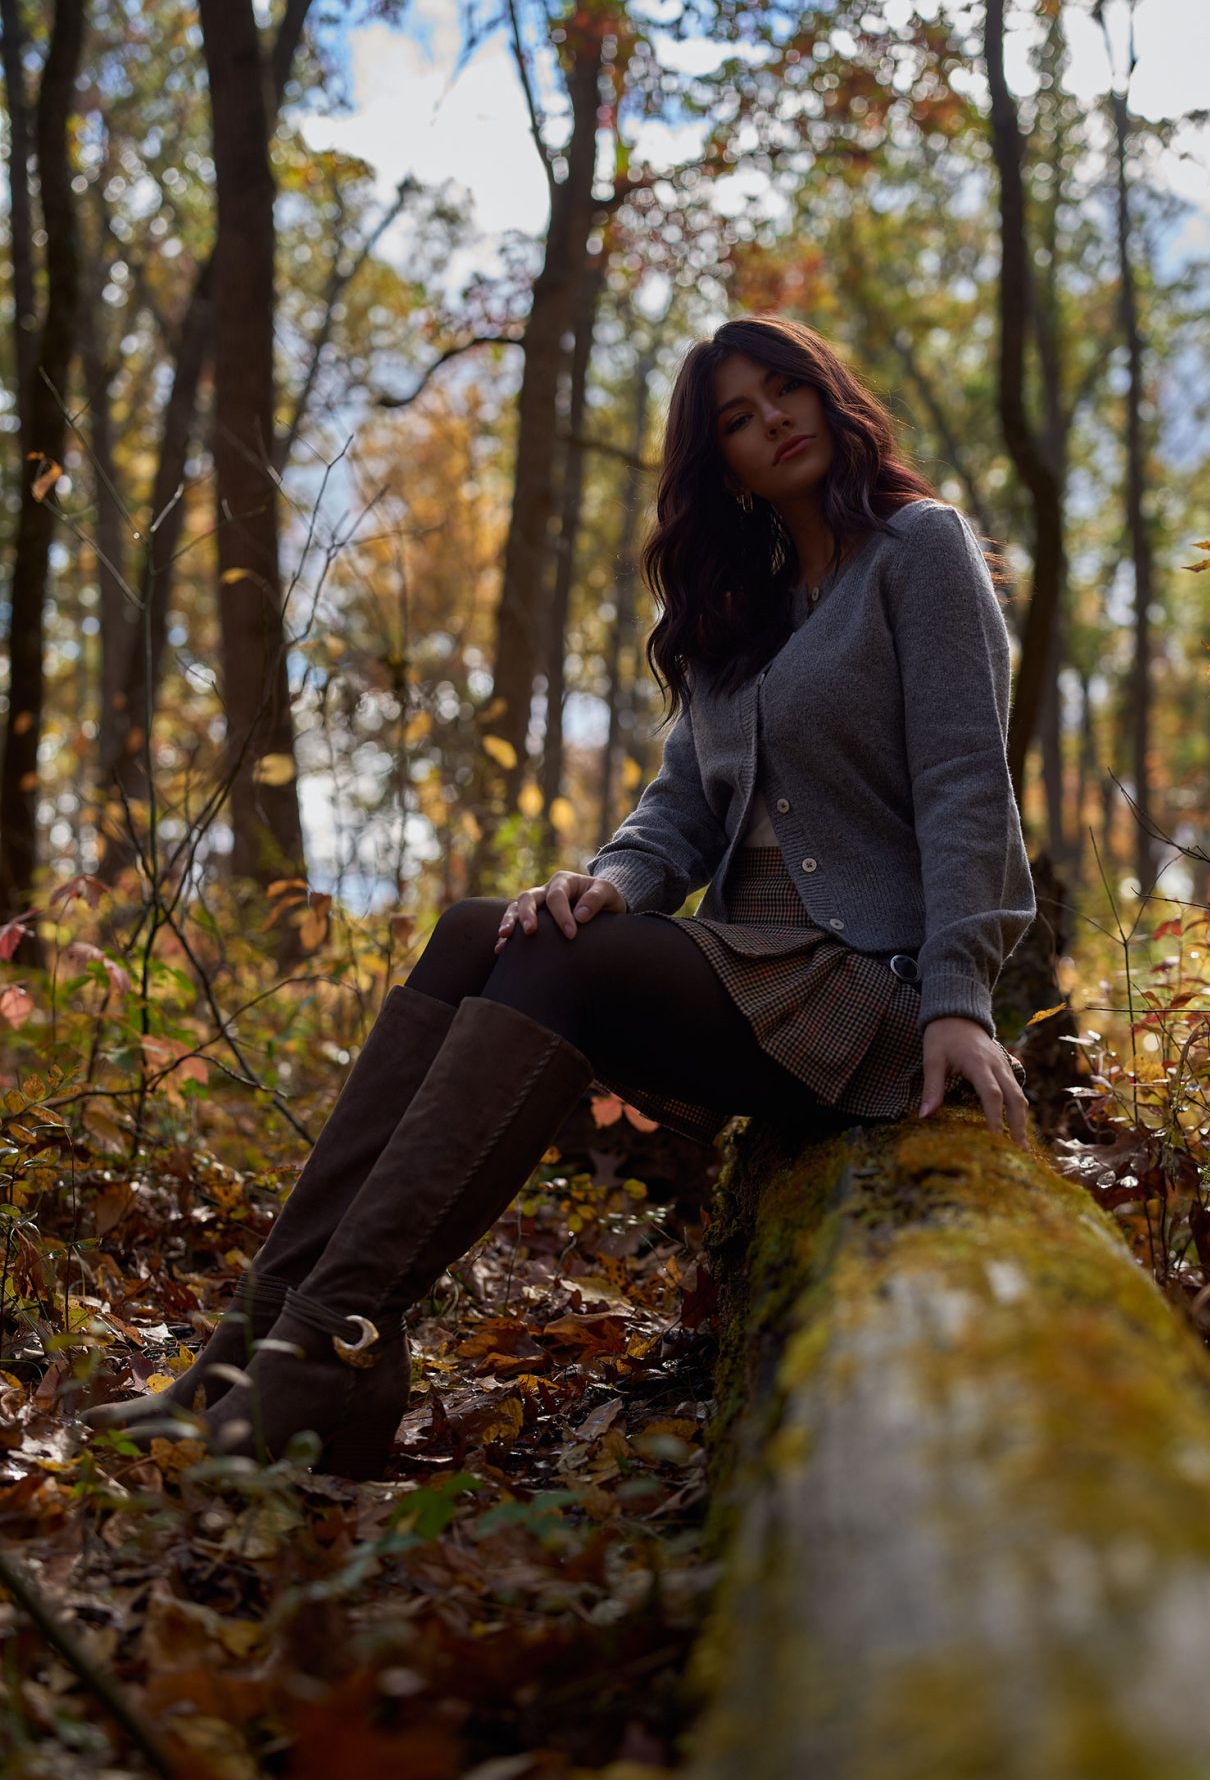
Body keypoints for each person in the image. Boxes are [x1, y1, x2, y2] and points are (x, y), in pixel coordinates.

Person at [82, 315, 1036, 1478]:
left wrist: (958, 994)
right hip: (755, 976)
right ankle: (250, 1349)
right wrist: (611, 878)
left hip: (869, 992)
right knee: (482, 928)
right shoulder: (747, 602)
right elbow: (679, 805)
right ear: (724, 464)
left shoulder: (918, 547)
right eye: (738, 418)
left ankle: (335, 1346)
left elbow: (966, 778)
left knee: (554, 961)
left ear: (829, 393)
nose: (773, 421)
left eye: (785, 389)